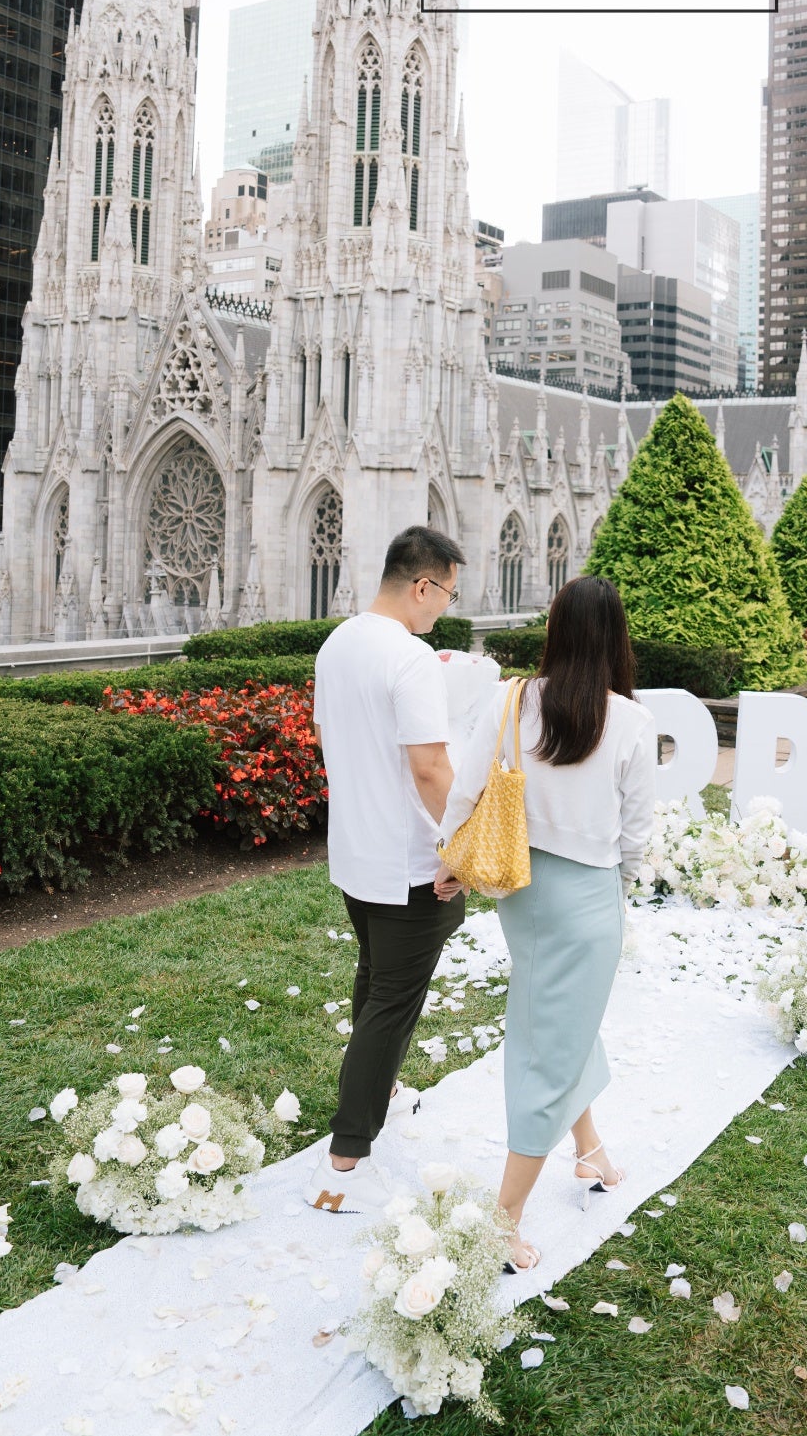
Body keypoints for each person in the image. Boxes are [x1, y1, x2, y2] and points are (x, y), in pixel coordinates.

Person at [435, 576, 656, 1270]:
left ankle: (588, 1151)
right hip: (588, 897)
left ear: (556, 628)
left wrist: (452, 857)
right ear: (617, 636)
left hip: (520, 889)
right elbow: (636, 834)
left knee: (557, 1025)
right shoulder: (630, 720)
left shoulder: (511, 698)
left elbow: (468, 786)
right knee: (549, 1046)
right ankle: (504, 1222)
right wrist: (618, 886)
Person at [303, 525, 468, 1214]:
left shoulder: (336, 642)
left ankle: (382, 1092)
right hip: (410, 861)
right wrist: (461, 845)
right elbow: (430, 766)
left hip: (355, 850)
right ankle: (349, 1144)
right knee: (392, 1001)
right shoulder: (410, 656)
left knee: (375, 981)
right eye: (446, 595)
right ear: (422, 584)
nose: (443, 610)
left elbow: (325, 735)